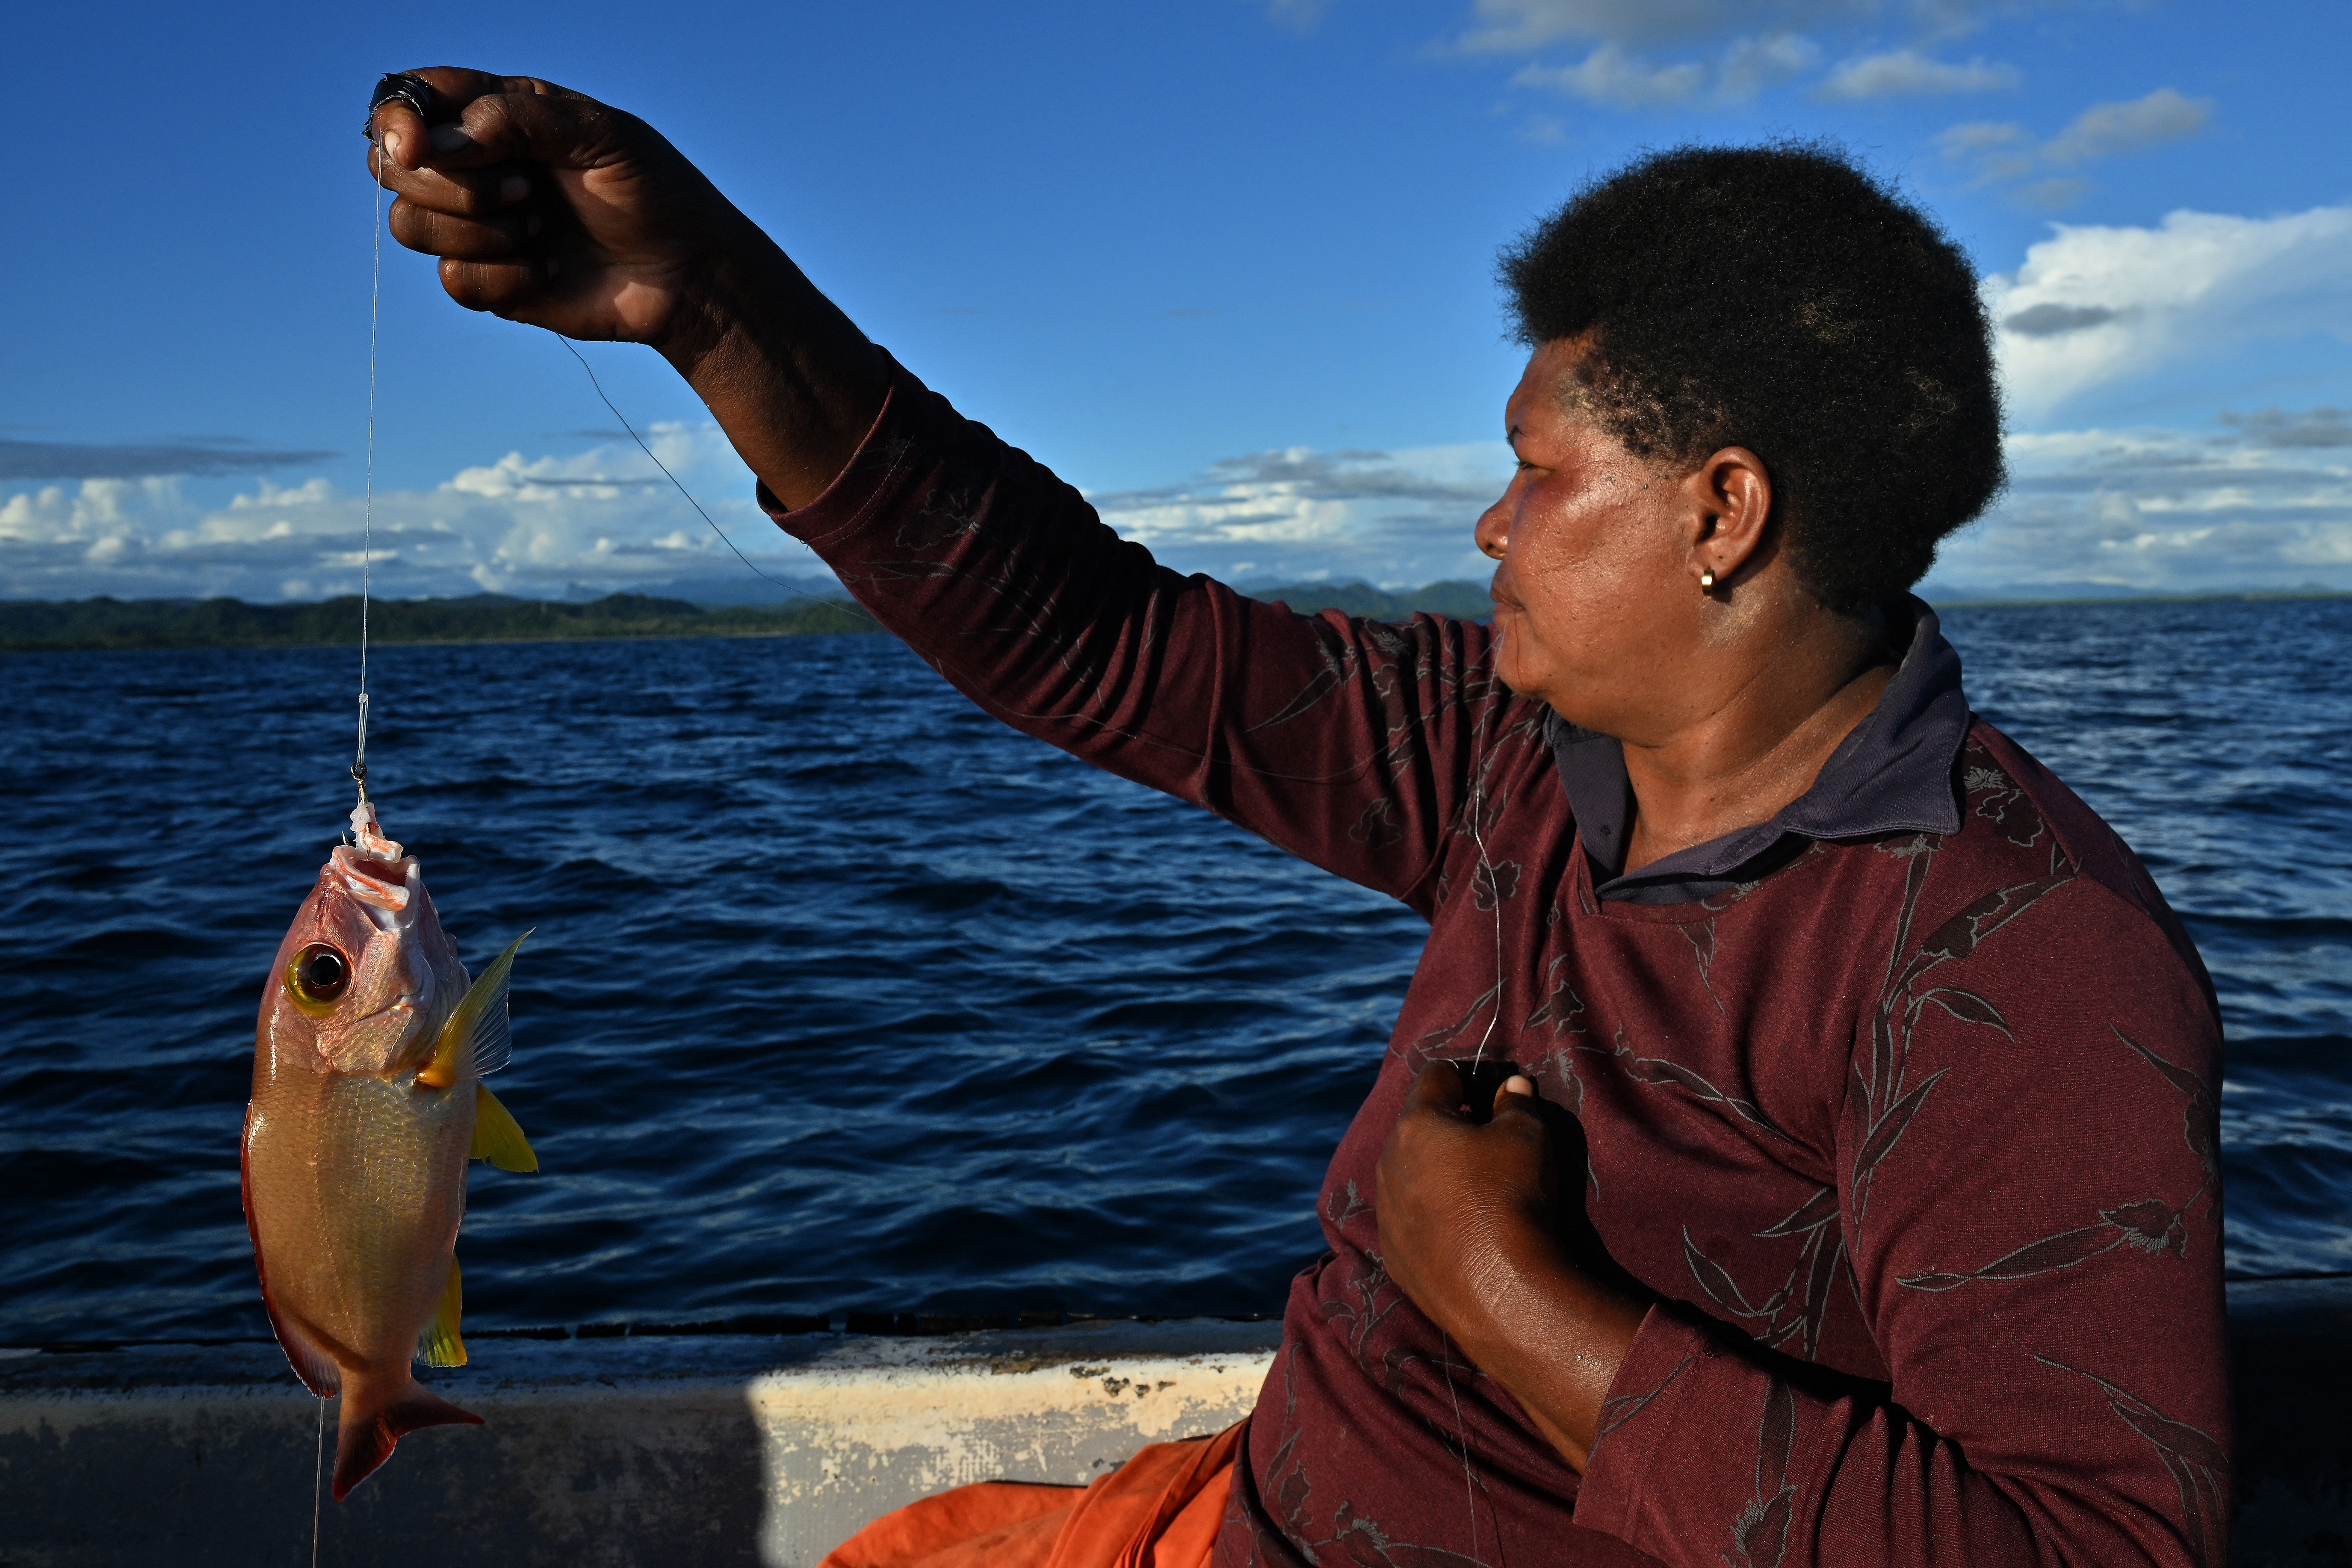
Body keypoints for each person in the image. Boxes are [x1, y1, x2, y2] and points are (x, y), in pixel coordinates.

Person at [369, 70, 2230, 1568]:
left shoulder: (2021, 957)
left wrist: (1512, 1294)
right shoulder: (1511, 749)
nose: (1491, 528)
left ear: (1720, 512)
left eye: (1536, 470)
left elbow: (2092, 1541)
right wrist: (702, 296)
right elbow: (1099, 639)